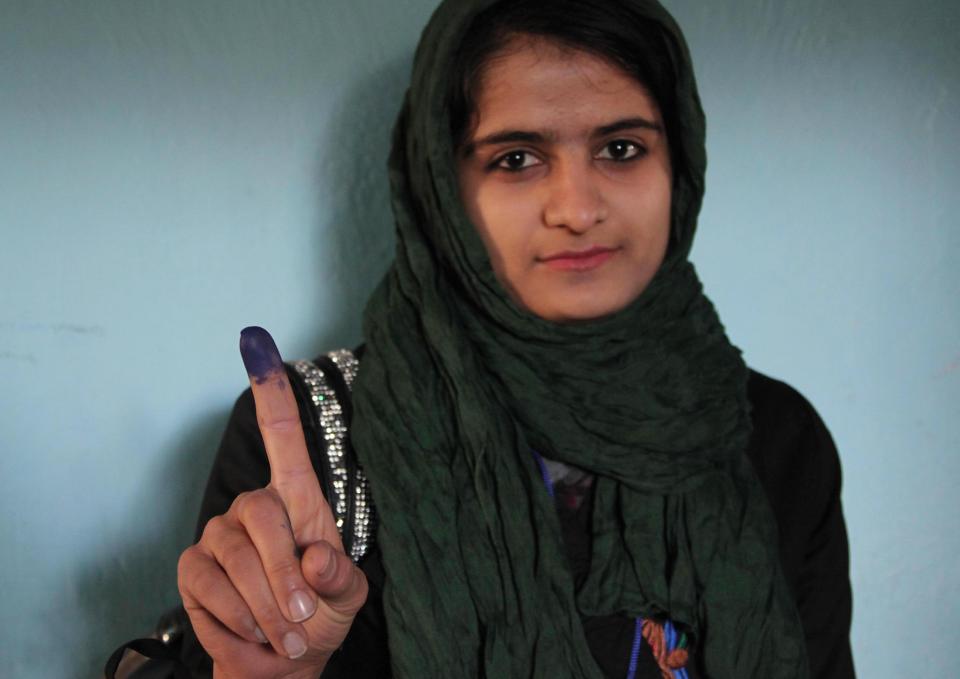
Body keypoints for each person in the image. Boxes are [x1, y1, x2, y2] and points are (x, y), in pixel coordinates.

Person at [175, 0, 855, 677]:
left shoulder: (773, 439)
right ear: (440, 183)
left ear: (679, 166)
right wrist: (273, 669)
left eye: (622, 149)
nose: (578, 208)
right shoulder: (310, 441)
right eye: (517, 158)